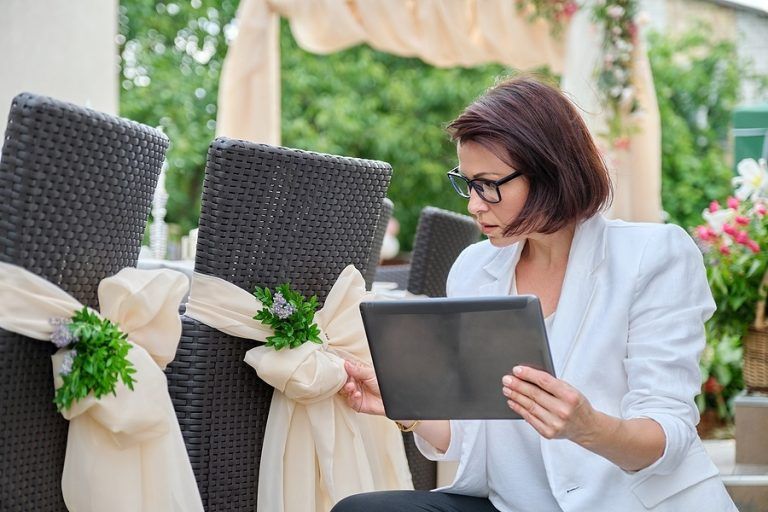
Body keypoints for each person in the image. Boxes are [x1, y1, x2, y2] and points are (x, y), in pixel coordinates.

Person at [332, 76, 737, 511]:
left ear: (549, 173)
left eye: (488, 184)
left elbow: (668, 436)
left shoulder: (653, 255)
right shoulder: (473, 269)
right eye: (467, 183)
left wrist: (588, 428)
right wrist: (407, 405)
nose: (473, 204)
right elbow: (475, 440)